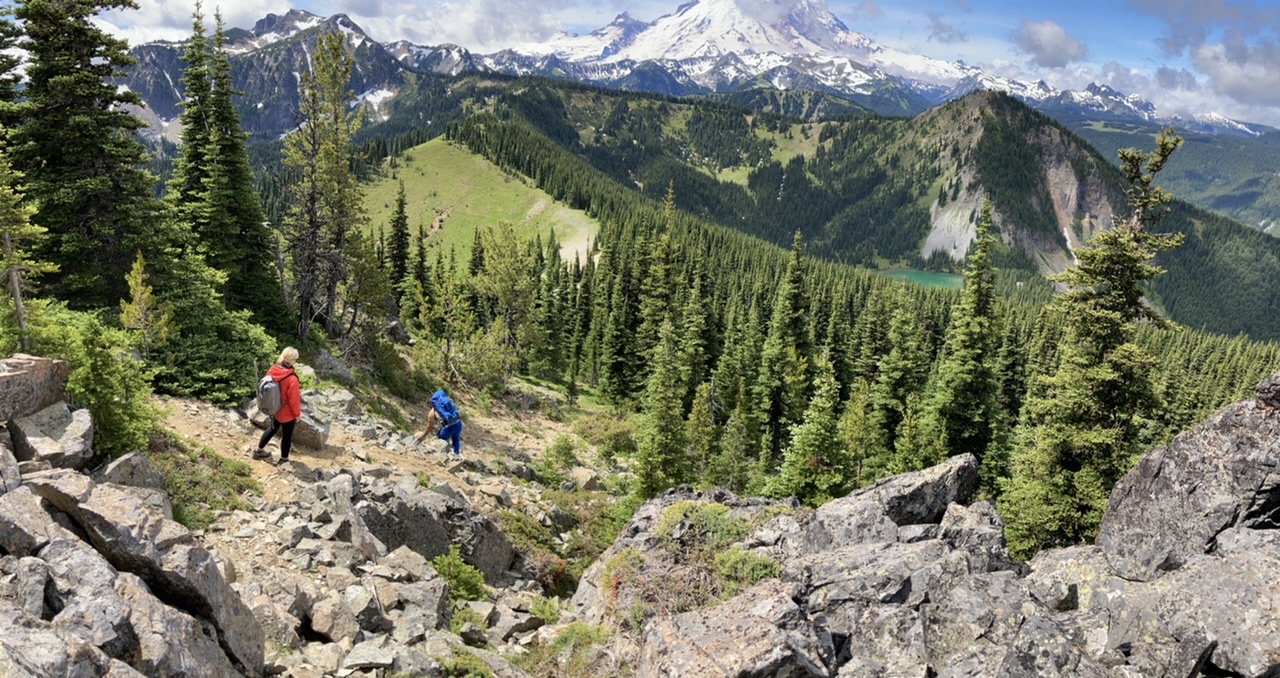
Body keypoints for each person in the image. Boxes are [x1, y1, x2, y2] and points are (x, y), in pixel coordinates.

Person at [252, 346, 302, 468]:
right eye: (295, 359)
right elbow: (293, 400)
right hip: (287, 413)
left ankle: (258, 451)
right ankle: (283, 460)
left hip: (274, 408)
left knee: (272, 428)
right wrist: (297, 415)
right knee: (287, 437)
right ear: (291, 360)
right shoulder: (292, 379)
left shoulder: (273, 370)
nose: (296, 361)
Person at [415, 389, 463, 457]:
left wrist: (423, 435)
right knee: (455, 439)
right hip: (458, 424)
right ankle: (456, 456)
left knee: (441, 441)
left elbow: (429, 427)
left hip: (449, 428)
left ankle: (442, 457)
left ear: (430, 404)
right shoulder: (444, 406)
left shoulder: (432, 413)